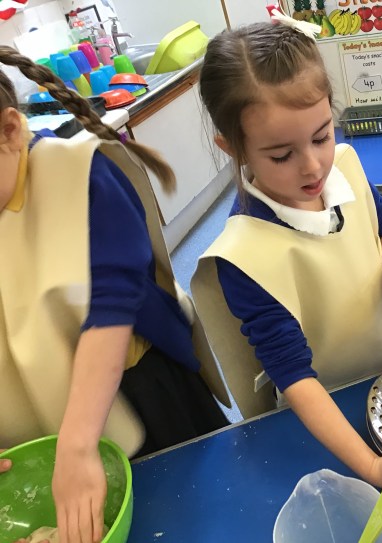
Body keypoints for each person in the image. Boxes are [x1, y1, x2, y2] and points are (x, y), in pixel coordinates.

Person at [190, 14, 382, 500]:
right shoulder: (244, 256)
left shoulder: (344, 167)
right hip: (328, 405)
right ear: (233, 148)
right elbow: (295, 378)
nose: (314, 165)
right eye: (281, 155)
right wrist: (372, 467)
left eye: (321, 135)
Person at [0, 46, 230, 543]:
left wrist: (77, 446)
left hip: (137, 395)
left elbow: (112, 305)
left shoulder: (79, 177)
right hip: (37, 416)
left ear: (10, 131)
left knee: (194, 514)